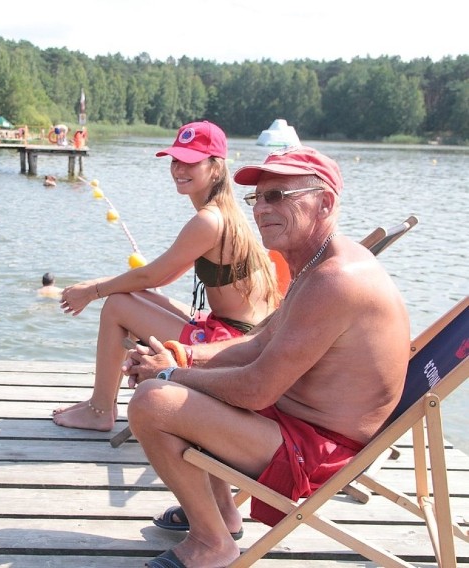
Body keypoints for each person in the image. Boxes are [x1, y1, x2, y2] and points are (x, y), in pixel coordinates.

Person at [122, 146, 410, 568]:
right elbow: (257, 343)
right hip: (297, 424)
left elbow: (256, 390)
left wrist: (167, 374)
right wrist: (182, 355)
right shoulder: (317, 264)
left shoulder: (337, 280)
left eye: (279, 196)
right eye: (258, 199)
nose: (260, 210)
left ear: (325, 202)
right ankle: (221, 514)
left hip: (318, 451)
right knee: (189, 386)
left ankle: (212, 544)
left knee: (152, 402)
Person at [53, 121, 281, 431]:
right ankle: (100, 401)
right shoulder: (224, 212)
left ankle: (100, 409)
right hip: (242, 334)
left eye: (190, 161)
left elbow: (153, 275)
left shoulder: (209, 220)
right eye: (175, 159)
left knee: (117, 305)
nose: (178, 168)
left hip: (231, 344)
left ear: (215, 168)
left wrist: (92, 290)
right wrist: (110, 287)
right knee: (130, 298)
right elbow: (163, 277)